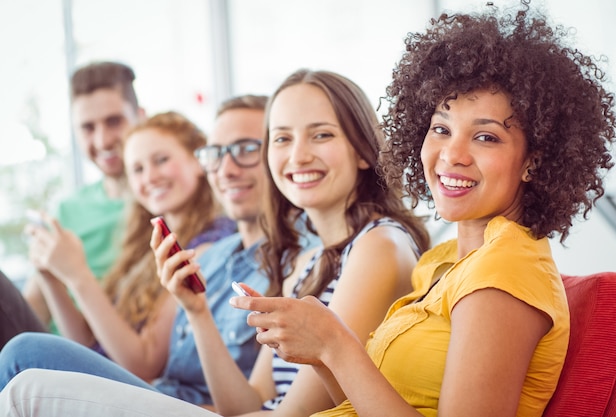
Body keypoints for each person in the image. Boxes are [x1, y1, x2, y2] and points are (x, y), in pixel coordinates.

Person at [2, 2, 616, 417]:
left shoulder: (501, 274)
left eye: (486, 136)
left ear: (536, 159)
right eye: (439, 128)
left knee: (26, 375)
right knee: (26, 373)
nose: (451, 155)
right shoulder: (444, 266)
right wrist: (198, 310)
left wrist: (334, 343)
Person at [0, 67, 430, 416]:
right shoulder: (308, 260)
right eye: (281, 138)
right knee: (25, 362)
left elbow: (290, 414)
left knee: (25, 360)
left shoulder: (377, 245)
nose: (297, 156)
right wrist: (197, 311)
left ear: (363, 150)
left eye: (321, 135)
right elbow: (246, 402)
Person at [0, 95, 273, 405]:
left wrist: (78, 276)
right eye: (137, 169)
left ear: (197, 161)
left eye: (161, 160)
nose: (150, 177)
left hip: (148, 388)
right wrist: (52, 277)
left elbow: (141, 364)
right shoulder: (147, 244)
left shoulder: (206, 247)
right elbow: (89, 345)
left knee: (20, 345)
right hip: (126, 383)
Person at [20, 62, 144, 328]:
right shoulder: (67, 210)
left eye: (114, 121)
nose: (102, 141)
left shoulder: (161, 207)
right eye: (88, 128)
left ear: (140, 118)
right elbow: (34, 305)